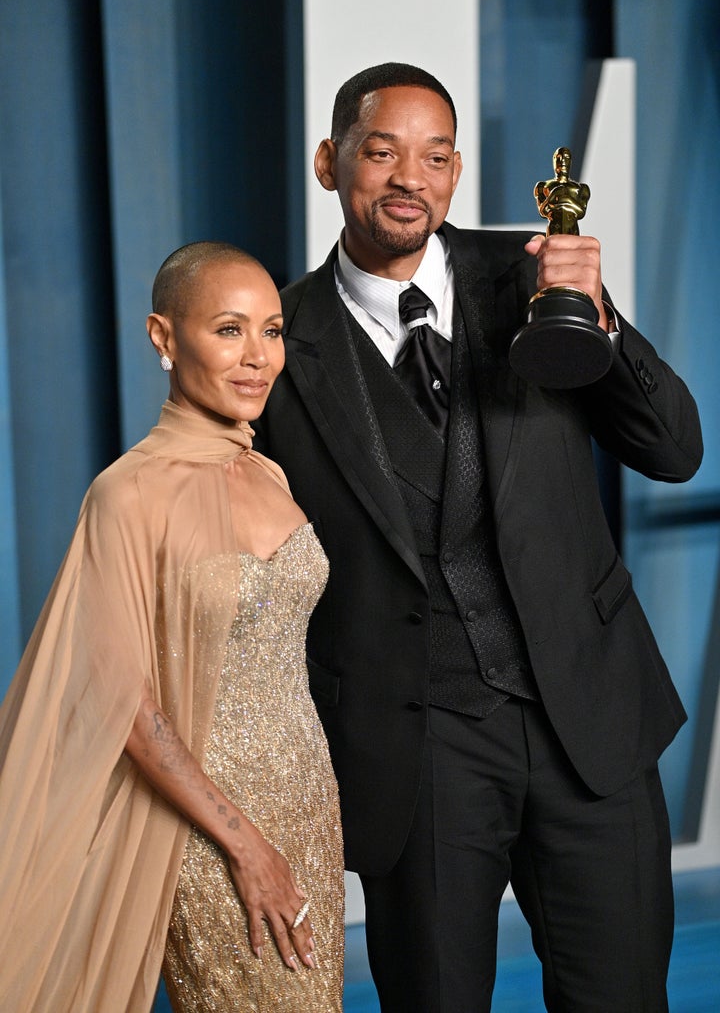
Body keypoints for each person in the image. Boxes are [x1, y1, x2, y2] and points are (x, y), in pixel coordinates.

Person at [252, 63, 703, 1012]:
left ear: (457, 174)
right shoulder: (278, 343)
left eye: (436, 156)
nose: (410, 177)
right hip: (416, 750)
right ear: (330, 163)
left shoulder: (535, 276)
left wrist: (606, 322)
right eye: (382, 153)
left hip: (588, 718)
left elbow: (672, 449)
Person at [0, 243, 344, 1012]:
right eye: (229, 330)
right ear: (163, 337)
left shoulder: (268, 472)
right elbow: (124, 703)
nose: (258, 358)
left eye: (272, 331)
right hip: (209, 834)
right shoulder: (126, 496)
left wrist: (284, 836)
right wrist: (246, 845)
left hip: (309, 809)